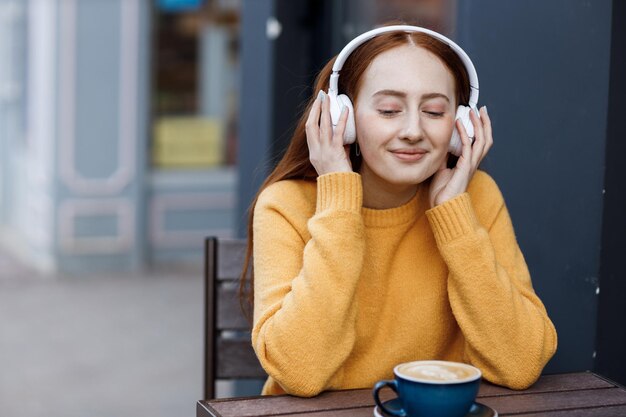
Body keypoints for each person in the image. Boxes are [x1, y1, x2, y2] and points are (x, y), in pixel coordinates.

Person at [240, 24, 557, 397]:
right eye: (389, 110)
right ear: (343, 118)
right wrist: (339, 201)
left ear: (460, 124)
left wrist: (454, 216)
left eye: (434, 111)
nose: (412, 130)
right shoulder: (286, 205)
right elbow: (299, 371)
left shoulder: (476, 196)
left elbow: (520, 363)